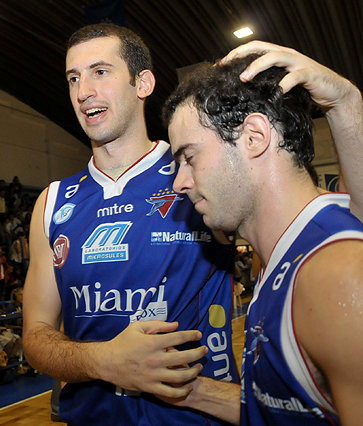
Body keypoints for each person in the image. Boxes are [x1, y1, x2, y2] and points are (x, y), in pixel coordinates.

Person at [23, 23, 237, 426]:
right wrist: (104, 361)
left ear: (143, 83)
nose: (83, 91)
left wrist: (346, 106)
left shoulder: (195, 172)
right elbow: (35, 336)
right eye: (73, 78)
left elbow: (324, 232)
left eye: (100, 72)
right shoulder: (52, 203)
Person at [159, 41, 363, 426]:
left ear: (254, 137)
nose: (179, 183)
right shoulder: (283, 255)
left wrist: (346, 102)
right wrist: (190, 389)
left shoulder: (333, 274)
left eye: (189, 157)